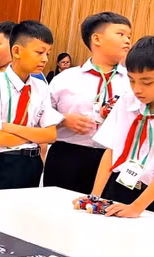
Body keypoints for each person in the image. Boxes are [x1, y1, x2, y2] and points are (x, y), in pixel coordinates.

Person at [79, 34, 154, 222]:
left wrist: (137, 207)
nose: (137, 89)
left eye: (147, 82)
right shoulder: (128, 100)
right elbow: (112, 151)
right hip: (120, 187)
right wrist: (95, 197)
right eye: (132, 80)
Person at [0, 21, 62, 209]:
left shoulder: (41, 87)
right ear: (17, 51)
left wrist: (8, 127)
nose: (44, 59)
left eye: (48, 54)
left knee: (23, 221)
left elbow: (50, 135)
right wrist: (32, 135)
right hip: (3, 164)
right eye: (39, 52)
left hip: (32, 163)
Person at [43, 12, 132, 194]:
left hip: (114, 159)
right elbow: (39, 112)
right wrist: (62, 119)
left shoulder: (133, 81)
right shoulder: (66, 78)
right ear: (97, 39)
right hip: (68, 155)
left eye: (129, 36)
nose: (128, 41)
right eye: (121, 34)